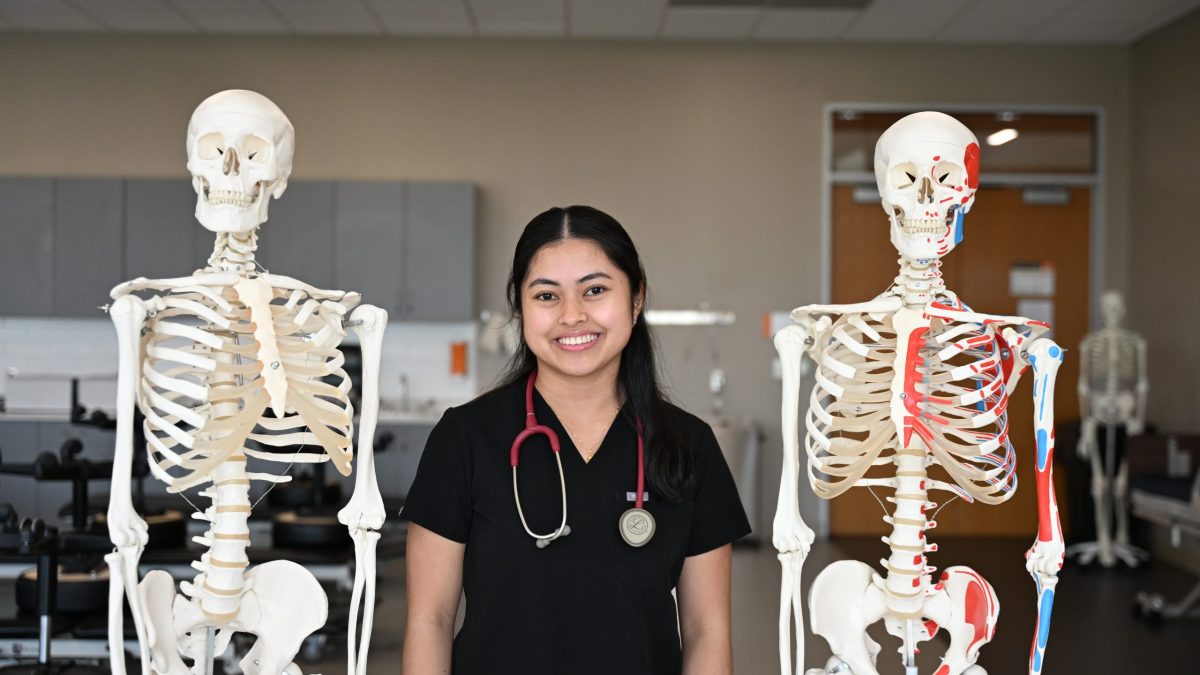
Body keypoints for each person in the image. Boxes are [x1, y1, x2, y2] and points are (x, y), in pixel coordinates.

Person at [401, 205, 751, 675]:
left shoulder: (690, 445)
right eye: (547, 296)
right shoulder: (464, 439)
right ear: (520, 308)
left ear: (636, 298)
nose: (572, 315)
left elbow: (708, 631)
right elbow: (431, 620)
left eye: (595, 290)